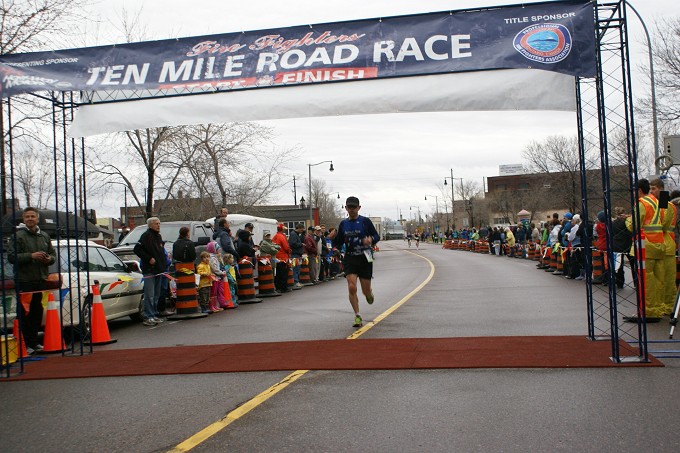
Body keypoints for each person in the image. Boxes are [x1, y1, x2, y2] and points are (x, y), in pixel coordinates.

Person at [7, 207, 57, 354]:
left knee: (37, 312)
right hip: (25, 281)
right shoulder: (18, 236)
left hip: (41, 280)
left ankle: (34, 343)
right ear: (23, 219)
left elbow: (53, 255)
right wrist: (31, 256)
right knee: (24, 314)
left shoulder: (44, 236)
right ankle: (24, 344)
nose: (30, 219)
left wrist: (49, 259)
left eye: (32, 216)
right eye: (27, 216)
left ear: (37, 219)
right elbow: (11, 257)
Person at [330, 196, 380, 328]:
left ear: (359, 208)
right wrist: (335, 248)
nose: (352, 210)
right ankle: (357, 315)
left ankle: (369, 293)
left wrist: (370, 240)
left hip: (365, 256)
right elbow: (338, 241)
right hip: (350, 257)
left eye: (354, 207)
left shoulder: (365, 221)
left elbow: (376, 236)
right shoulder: (343, 224)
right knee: (351, 287)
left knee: (365, 291)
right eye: (349, 207)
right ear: (346, 208)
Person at [625, 178, 665, 322]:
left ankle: (647, 311)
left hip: (646, 246)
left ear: (639, 190)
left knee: (646, 281)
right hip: (659, 244)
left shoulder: (642, 203)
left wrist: (627, 220)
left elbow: (634, 225)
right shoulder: (656, 201)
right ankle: (658, 309)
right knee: (658, 281)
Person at [650, 178, 677, 315]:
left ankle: (669, 306)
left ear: (661, 189)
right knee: (660, 280)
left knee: (667, 280)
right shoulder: (658, 203)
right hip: (660, 245)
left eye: (653, 188)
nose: (651, 191)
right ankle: (663, 305)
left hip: (666, 246)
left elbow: (663, 223)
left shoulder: (665, 204)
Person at [133, 217, 167, 326]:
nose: (158, 225)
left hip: (159, 269)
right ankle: (148, 316)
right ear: (150, 225)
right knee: (150, 294)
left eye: (159, 223)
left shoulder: (158, 236)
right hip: (149, 270)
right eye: (156, 224)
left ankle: (154, 314)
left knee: (156, 294)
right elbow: (137, 249)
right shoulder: (146, 236)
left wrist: (164, 264)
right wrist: (148, 258)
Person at [611, 206, 635, 289]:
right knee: (633, 265)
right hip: (628, 244)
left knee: (618, 265)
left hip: (617, 245)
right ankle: (636, 282)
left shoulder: (613, 223)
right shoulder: (627, 222)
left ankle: (620, 283)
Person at [272, 223, 292, 293]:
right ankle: (283, 287)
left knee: (278, 273)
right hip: (283, 257)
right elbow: (286, 247)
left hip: (277, 257)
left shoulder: (275, 236)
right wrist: (289, 251)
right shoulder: (282, 236)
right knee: (284, 273)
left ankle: (278, 287)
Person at [288, 223, 305, 288]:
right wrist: (301, 244)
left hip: (297, 254)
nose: (302, 231)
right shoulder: (293, 234)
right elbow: (292, 244)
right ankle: (295, 282)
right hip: (295, 254)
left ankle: (297, 281)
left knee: (298, 269)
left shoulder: (296, 234)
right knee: (295, 269)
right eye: (301, 230)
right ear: (299, 228)